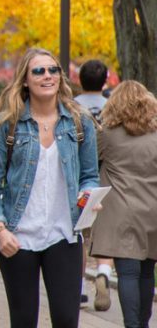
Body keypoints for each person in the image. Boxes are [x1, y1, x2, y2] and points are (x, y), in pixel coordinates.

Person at [0, 48, 99, 328]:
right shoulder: (7, 126)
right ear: (25, 80)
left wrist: (89, 194)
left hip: (64, 235)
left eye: (53, 70)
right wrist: (0, 230)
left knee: (67, 319)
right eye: (39, 71)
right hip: (18, 238)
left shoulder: (80, 123)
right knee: (23, 320)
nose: (48, 76)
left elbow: (90, 175)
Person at [90, 80, 157, 328]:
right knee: (148, 272)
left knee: (128, 273)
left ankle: (132, 324)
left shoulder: (107, 135)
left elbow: (90, 162)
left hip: (122, 212)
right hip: (153, 211)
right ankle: (143, 322)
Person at [73, 58, 111, 310]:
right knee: (104, 231)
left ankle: (76, 287)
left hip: (78, 175)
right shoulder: (111, 107)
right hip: (106, 176)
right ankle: (104, 272)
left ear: (80, 80)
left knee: (79, 234)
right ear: (105, 80)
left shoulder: (72, 107)